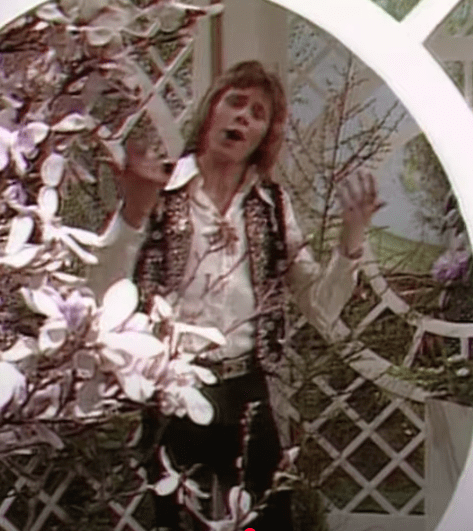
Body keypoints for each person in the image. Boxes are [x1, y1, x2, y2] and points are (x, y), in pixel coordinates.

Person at [88, 60, 380, 530]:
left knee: (265, 522)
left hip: (247, 390)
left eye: (257, 112)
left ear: (265, 135)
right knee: (176, 521)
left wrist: (352, 239)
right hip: (174, 388)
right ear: (212, 112)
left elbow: (320, 305)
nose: (243, 116)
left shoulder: (272, 206)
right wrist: (134, 214)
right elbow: (102, 291)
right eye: (235, 103)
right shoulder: (160, 189)